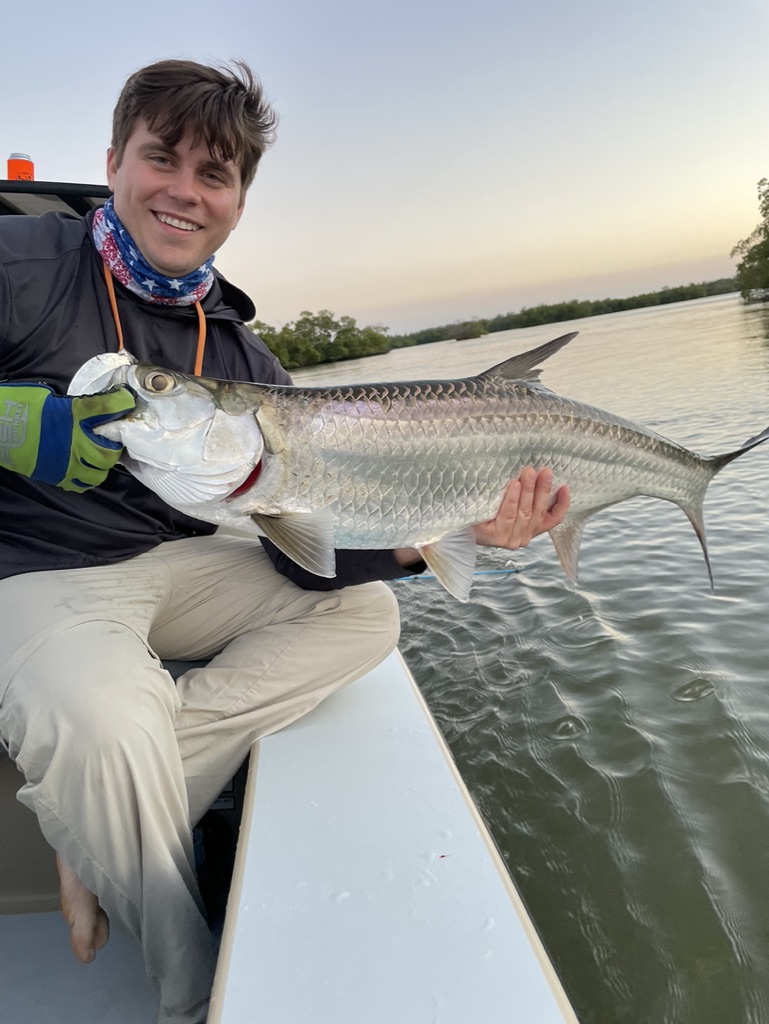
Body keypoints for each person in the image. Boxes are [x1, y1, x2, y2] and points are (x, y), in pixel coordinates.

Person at [0, 59, 570, 1024]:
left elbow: (294, 549)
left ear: (237, 203)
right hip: (45, 572)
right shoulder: (22, 267)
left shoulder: (242, 357)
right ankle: (186, 993)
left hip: (190, 562)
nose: (183, 191)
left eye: (213, 176)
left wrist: (434, 532)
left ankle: (94, 824)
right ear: (112, 161)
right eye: (161, 159)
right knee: (102, 723)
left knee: (365, 616)